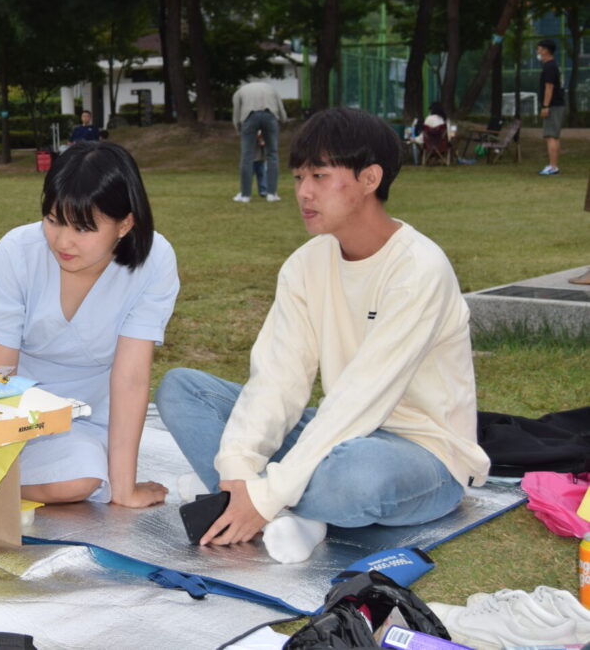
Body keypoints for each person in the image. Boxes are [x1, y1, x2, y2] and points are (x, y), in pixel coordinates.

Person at [156, 107, 489, 564]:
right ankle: (252, 498)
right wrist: (237, 464)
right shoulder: (306, 264)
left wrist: (269, 491)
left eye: (319, 175)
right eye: (297, 177)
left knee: (353, 477)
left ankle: (263, 503)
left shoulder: (418, 269)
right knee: (182, 389)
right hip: (338, 432)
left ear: (370, 179)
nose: (303, 192)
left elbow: (361, 396)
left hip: (421, 454)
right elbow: (278, 378)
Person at [0, 140, 179, 508]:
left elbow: (131, 378)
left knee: (79, 479)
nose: (63, 241)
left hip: (85, 414)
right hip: (1, 406)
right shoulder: (17, 251)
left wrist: (124, 490)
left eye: (82, 228)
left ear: (125, 224)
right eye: (53, 220)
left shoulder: (154, 261)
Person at [232, 81, 287, 203]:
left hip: (249, 117)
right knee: (272, 155)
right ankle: (272, 194)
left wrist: (238, 128)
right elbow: (281, 108)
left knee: (247, 156)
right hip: (270, 116)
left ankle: (245, 195)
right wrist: (283, 120)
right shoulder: (271, 88)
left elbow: (236, 114)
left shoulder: (239, 92)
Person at [536, 39, 565, 176]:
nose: (538, 51)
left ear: (546, 50)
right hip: (556, 105)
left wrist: (545, 106)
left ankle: (553, 166)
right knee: (553, 136)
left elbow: (549, 87)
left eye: (539, 49)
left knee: (551, 136)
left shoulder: (550, 67)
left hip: (553, 105)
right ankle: (553, 165)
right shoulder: (550, 66)